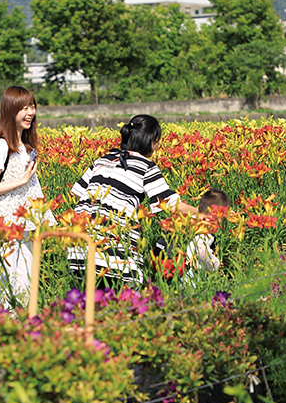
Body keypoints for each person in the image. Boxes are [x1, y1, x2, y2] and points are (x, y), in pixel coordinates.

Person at [69, 114, 198, 287]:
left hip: (77, 245)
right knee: (127, 298)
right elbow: (170, 204)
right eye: (158, 140)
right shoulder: (146, 166)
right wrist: (205, 212)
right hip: (112, 248)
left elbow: (77, 192)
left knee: (90, 301)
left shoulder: (103, 159)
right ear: (151, 142)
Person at [0, 86, 52, 307]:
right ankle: (0, 326)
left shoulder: (28, 147)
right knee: (4, 278)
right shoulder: (2, 146)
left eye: (32, 106)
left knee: (26, 277)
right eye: (23, 108)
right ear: (10, 112)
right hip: (5, 222)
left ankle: (23, 325)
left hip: (26, 222)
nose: (30, 112)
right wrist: (21, 181)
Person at [153, 188, 231, 283]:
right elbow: (202, 251)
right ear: (216, 215)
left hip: (166, 263)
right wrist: (214, 264)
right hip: (189, 274)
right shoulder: (206, 228)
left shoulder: (186, 219)